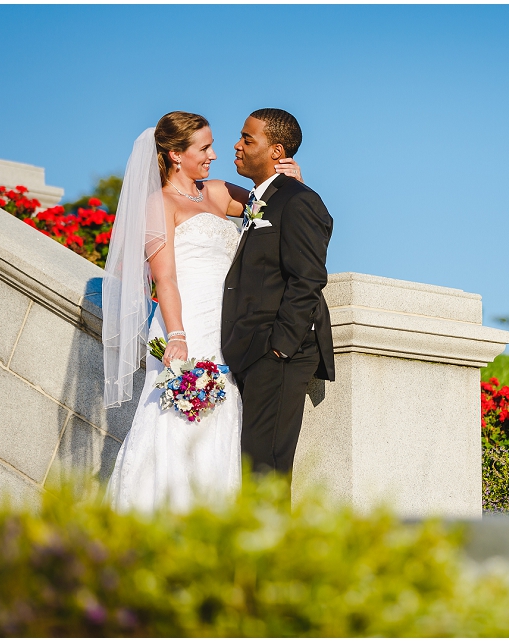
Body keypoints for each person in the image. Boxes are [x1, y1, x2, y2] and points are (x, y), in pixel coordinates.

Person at [102, 111, 304, 513]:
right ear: (176, 155)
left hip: (227, 326)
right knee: (177, 420)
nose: (215, 154)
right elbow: (167, 279)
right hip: (188, 323)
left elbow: (273, 203)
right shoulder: (159, 204)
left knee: (224, 416)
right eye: (204, 147)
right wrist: (176, 336)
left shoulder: (215, 192)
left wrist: (291, 180)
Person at [221, 109, 335, 481]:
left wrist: (279, 347)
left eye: (248, 139)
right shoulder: (262, 200)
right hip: (249, 350)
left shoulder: (299, 199)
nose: (237, 145)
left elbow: (308, 278)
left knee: (265, 469)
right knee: (250, 467)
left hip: (278, 356)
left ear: (276, 151)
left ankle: (271, 541)